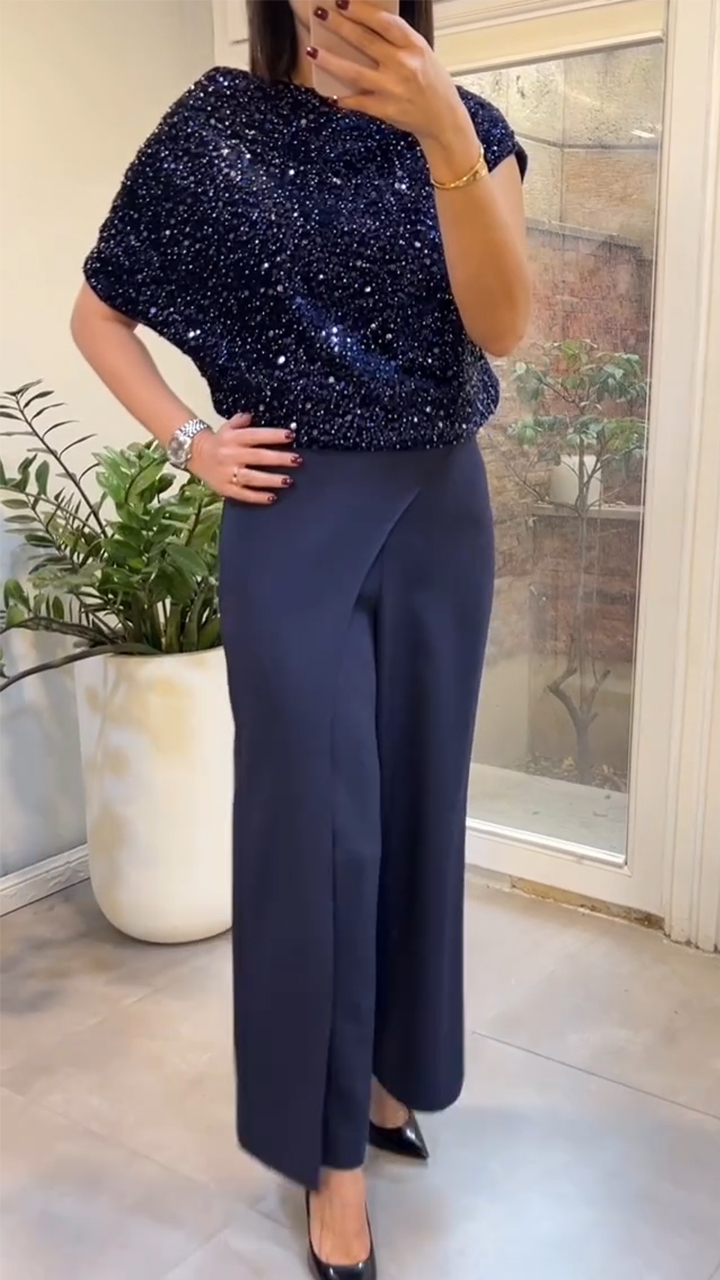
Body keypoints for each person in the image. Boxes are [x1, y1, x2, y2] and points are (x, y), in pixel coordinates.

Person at [71, 1, 530, 1275]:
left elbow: (502, 326)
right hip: (291, 513)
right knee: (321, 836)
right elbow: (98, 313)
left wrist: (443, 128)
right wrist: (189, 440)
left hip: (441, 509)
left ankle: (388, 1078)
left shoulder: (474, 128)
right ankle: (327, 1156)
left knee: (419, 808)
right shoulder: (217, 131)